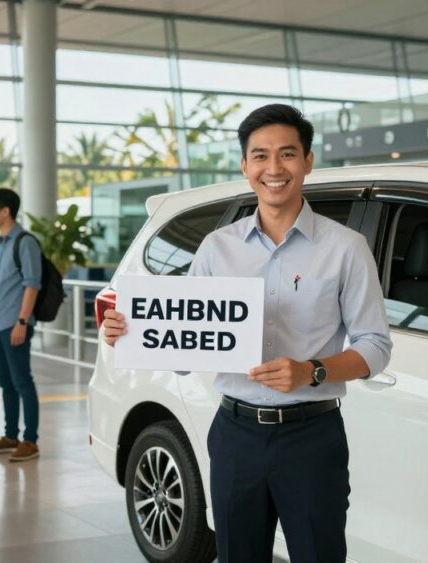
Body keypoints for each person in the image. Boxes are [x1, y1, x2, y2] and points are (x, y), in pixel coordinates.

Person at [103, 104, 392, 562]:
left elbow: (375, 346)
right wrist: (130, 330)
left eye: (287, 154)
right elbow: (187, 343)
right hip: (235, 435)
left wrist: (312, 371)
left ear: (308, 161)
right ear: (244, 165)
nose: (273, 169)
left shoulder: (345, 248)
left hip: (312, 437)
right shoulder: (217, 248)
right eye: (260, 156)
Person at [0, 188, 41, 462]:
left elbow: (32, 284)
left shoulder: (24, 242)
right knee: (6, 383)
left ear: (5, 211)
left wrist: (22, 322)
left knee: (22, 382)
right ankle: (10, 435)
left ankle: (30, 440)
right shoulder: (1, 242)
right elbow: (0, 287)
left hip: (16, 323)